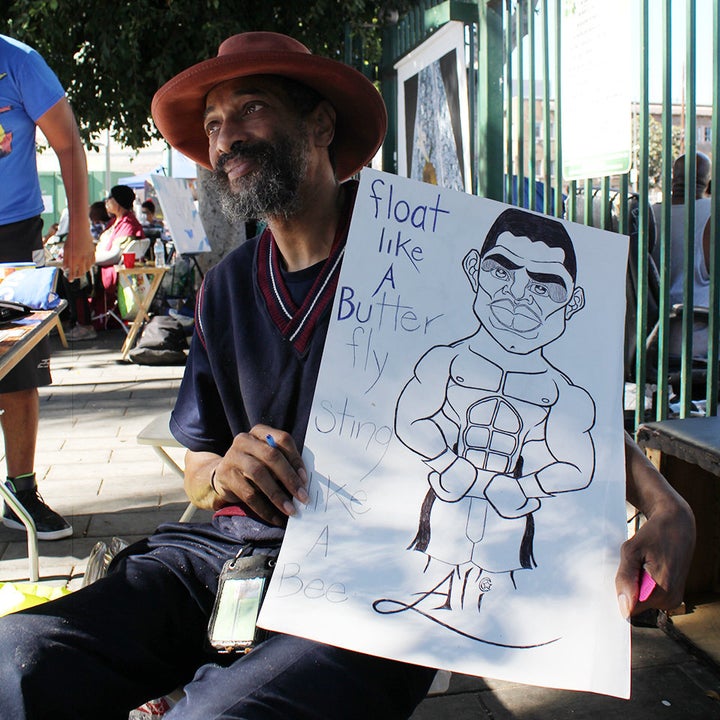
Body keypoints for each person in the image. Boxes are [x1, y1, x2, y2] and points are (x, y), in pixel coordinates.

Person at [0, 32, 695, 719]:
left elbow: (546, 386)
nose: (225, 140)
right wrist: (221, 473)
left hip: (377, 577)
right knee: (19, 659)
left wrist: (664, 499)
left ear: (321, 123)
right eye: (213, 125)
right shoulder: (228, 288)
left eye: (251, 109)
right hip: (229, 555)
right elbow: (199, 456)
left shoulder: (428, 249)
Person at [394, 209, 595, 613]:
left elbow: (578, 467)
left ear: (573, 303)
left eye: (545, 287)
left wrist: (525, 488)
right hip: (444, 512)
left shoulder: (563, 394)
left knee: (498, 609)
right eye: (502, 271)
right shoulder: (444, 362)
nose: (519, 293)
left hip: (510, 524)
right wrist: (445, 460)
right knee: (418, 596)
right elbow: (409, 420)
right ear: (473, 270)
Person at [0, 34, 94, 540]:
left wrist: (79, 227)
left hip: (13, 235)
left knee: (17, 369)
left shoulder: (19, 62)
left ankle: (21, 491)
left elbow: (68, 142)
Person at [652, 152, 712, 358]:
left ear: (672, 179)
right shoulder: (712, 213)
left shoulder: (648, 214)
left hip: (651, 339)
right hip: (699, 337)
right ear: (707, 182)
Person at [67, 184, 146, 341]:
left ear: (117, 202)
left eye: (109, 198)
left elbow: (116, 255)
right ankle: (73, 320)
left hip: (112, 271)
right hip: (102, 267)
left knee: (74, 275)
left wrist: (88, 259)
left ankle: (85, 324)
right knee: (67, 274)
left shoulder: (128, 224)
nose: (106, 202)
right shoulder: (115, 222)